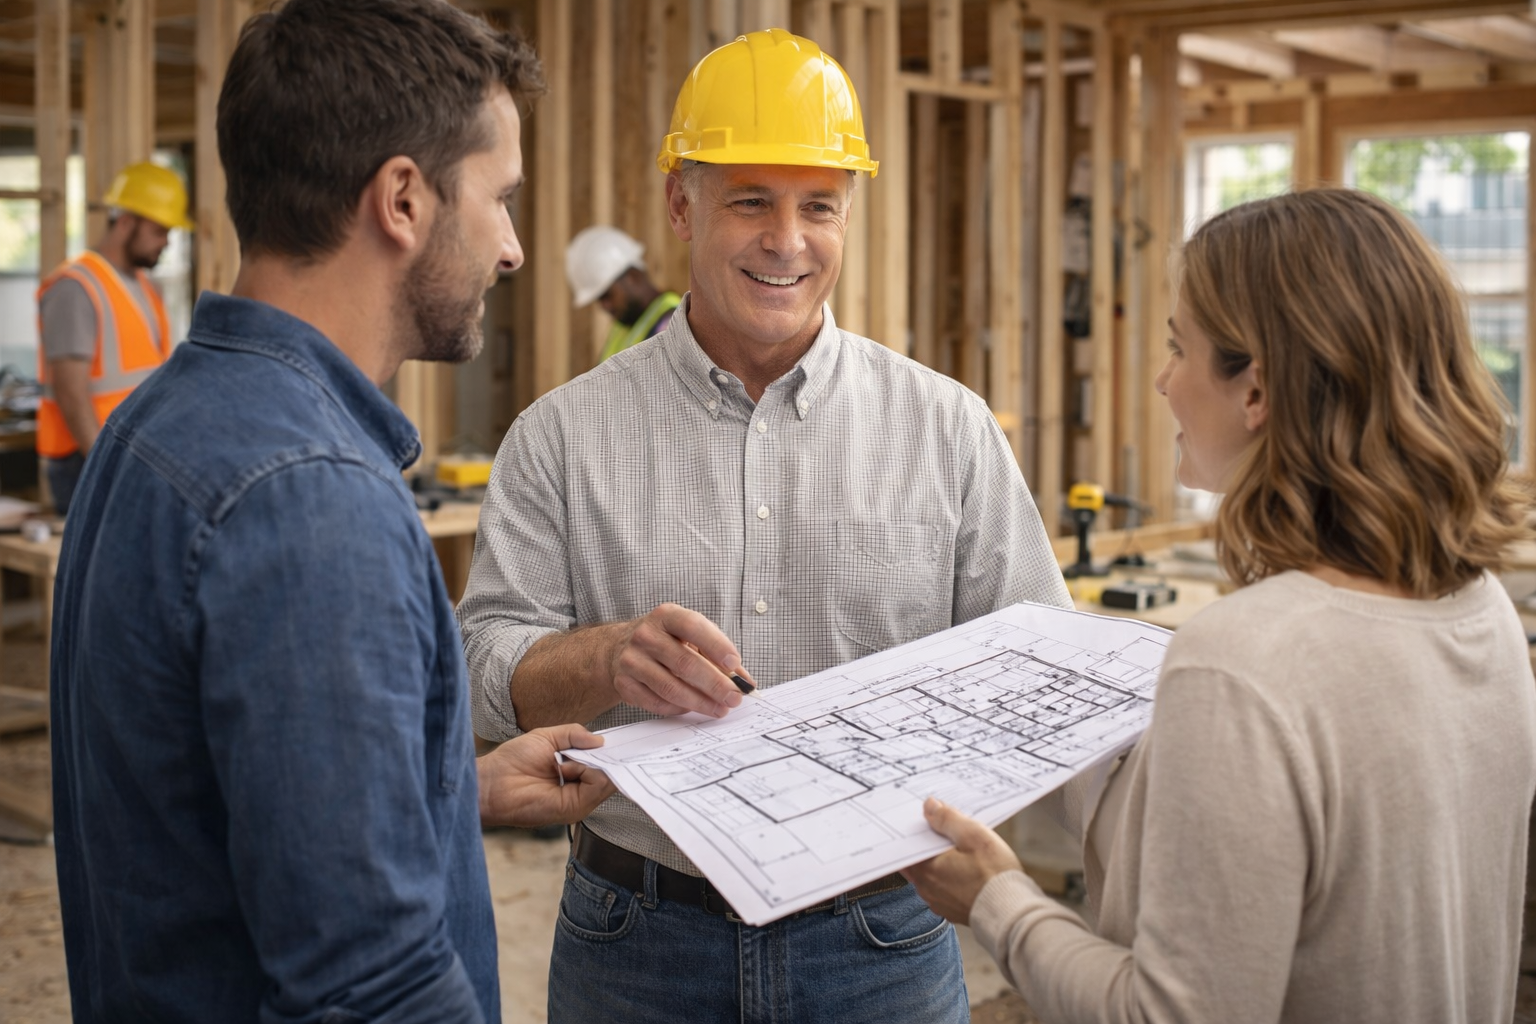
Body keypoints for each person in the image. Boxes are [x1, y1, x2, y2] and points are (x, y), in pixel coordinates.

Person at [458, 28, 1071, 1024]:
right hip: (637, 940)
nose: (787, 240)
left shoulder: (946, 429)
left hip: (881, 935)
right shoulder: (560, 437)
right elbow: (484, 664)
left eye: (818, 206)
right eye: (751, 201)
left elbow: (1037, 663)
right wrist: (609, 658)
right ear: (680, 203)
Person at [49, 2, 612, 1022]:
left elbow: (218, 805)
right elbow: (372, 986)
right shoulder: (310, 502)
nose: (514, 247)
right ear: (402, 198)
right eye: (501, 199)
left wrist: (450, 790)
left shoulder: (166, 419)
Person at [904, 188, 1536, 1023]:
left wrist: (998, 900)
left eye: (1180, 349)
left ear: (1256, 390)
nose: (1164, 382)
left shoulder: (1240, 661)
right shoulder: (1478, 607)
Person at [35, 161, 188, 515]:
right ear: (126, 222)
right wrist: (104, 465)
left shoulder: (143, 286)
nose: (166, 241)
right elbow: (71, 393)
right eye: (160, 230)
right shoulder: (76, 288)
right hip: (87, 462)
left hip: (130, 454)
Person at [565, 224, 680, 361]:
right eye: (599, 299)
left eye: (606, 295)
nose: (605, 306)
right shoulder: (622, 327)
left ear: (632, 276)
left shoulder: (672, 323)